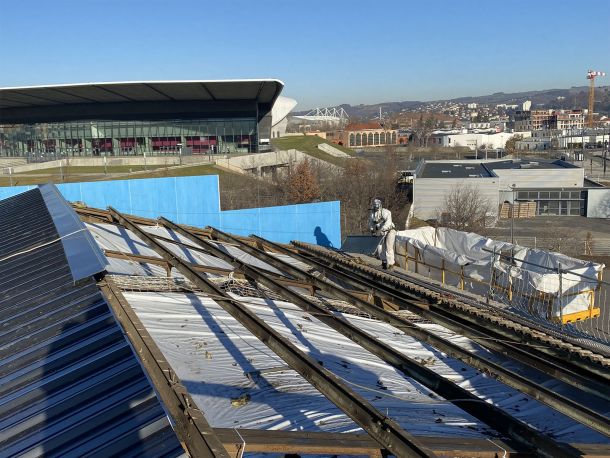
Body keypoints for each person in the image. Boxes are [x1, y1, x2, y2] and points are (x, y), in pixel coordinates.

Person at [369, 198, 396, 269]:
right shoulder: (373, 213)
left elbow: (388, 222)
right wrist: (372, 230)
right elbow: (371, 223)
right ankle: (384, 262)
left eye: (377, 205)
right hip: (380, 231)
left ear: (380, 205)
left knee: (388, 247)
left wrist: (382, 229)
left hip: (390, 231)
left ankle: (390, 264)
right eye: (375, 205)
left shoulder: (386, 212)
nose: (376, 206)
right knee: (380, 247)